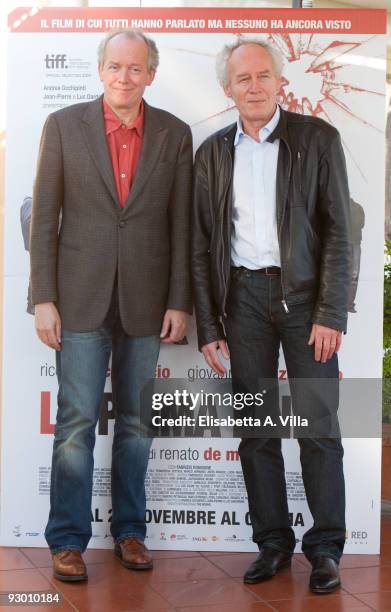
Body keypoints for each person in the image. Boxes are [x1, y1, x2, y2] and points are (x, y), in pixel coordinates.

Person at [30, 29, 192, 582]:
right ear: (101, 70)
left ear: (151, 74)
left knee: (138, 423)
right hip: (77, 301)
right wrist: (43, 300)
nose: (125, 77)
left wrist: (179, 300)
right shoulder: (63, 126)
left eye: (136, 68)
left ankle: (130, 531)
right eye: (116, 67)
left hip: (147, 303)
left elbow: (181, 225)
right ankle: (67, 540)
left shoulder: (174, 133)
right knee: (75, 423)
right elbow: (46, 215)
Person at [192, 38, 351, 594]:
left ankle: (326, 549)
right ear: (228, 88)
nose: (254, 86)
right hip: (244, 303)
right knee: (257, 432)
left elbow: (339, 233)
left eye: (263, 76)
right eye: (243, 79)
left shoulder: (317, 139)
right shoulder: (211, 153)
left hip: (308, 304)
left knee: (318, 428)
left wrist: (331, 312)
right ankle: (273, 545)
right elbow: (201, 245)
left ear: (279, 80)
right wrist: (209, 326)